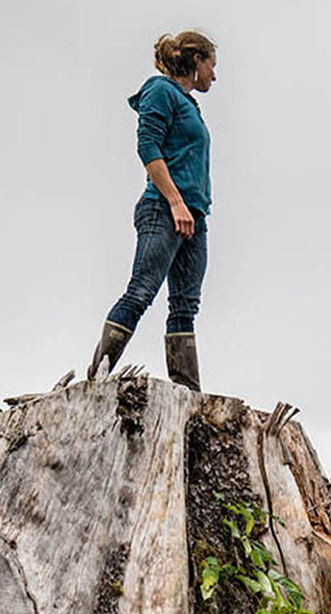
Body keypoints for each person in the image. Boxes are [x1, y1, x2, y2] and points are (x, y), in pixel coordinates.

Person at [86, 30, 218, 391]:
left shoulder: (189, 103)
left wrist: (189, 208)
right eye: (212, 65)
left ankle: (188, 392)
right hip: (163, 209)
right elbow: (148, 147)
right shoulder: (160, 90)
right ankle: (95, 379)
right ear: (196, 61)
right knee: (142, 290)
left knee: (185, 305)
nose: (214, 75)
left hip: (194, 215)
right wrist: (175, 201)